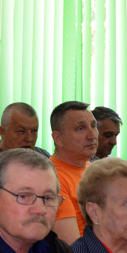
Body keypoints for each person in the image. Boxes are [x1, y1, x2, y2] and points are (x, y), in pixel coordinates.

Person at [50, 101, 98, 244]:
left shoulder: (95, 170)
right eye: (80, 128)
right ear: (58, 139)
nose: (92, 135)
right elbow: (73, 248)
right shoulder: (51, 178)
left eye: (93, 126)